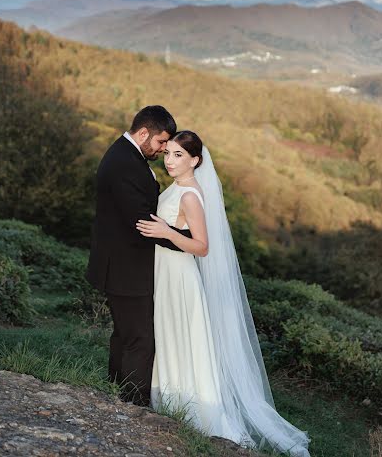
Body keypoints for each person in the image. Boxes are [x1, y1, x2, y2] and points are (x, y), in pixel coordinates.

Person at [136, 131, 311, 456]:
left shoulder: (191, 195)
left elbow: (202, 247)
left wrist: (166, 231)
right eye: (169, 153)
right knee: (169, 335)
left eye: (179, 156)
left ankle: (196, 409)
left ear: (196, 161)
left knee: (182, 337)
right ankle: (171, 401)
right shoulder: (177, 187)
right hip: (165, 271)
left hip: (180, 276)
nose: (170, 161)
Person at [86, 106, 192, 406]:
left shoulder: (128, 155)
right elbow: (142, 222)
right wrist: (186, 241)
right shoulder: (123, 163)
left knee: (125, 334)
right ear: (144, 133)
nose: (162, 150)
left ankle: (115, 393)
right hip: (125, 266)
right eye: (160, 142)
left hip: (121, 262)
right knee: (140, 338)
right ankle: (134, 403)